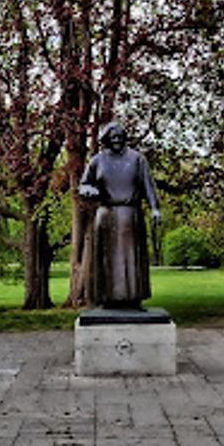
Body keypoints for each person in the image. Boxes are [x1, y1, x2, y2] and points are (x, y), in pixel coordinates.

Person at [79, 122, 161, 309]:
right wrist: (88, 190)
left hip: (130, 215)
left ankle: (134, 298)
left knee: (131, 258)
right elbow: (84, 184)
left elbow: (148, 185)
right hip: (106, 215)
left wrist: (154, 208)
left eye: (119, 136)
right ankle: (106, 298)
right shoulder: (97, 160)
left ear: (125, 138)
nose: (116, 140)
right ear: (106, 139)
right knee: (106, 259)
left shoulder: (137, 159)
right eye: (112, 137)